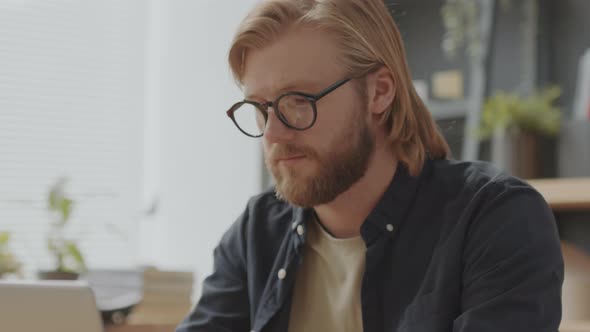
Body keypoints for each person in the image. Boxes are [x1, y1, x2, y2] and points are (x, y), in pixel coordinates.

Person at [176, 0, 563, 331]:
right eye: (260, 108)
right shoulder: (256, 233)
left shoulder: (496, 218)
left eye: (298, 100)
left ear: (379, 92)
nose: (273, 134)